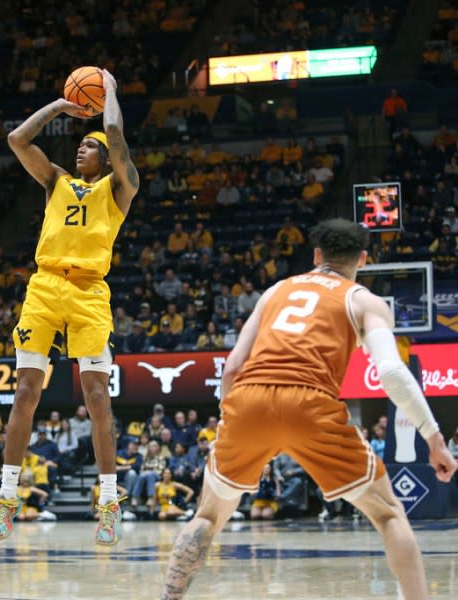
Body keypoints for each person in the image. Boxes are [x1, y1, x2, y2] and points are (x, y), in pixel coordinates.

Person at [160, 219, 457, 600]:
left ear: (316, 255)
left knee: (208, 514)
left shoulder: (276, 290)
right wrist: (434, 438)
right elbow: (391, 372)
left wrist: (234, 418)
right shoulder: (365, 300)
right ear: (363, 259)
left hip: (249, 397)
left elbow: (233, 365)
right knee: (388, 513)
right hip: (310, 401)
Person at [0, 68, 139, 546]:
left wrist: (108, 90)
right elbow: (17, 138)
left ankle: (109, 501)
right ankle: (7, 499)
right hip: (45, 287)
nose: (82, 148)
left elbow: (115, 133)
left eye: (90, 145)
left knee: (97, 399)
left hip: (90, 292)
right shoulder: (55, 180)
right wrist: (60, 105)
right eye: (80, 145)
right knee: (26, 393)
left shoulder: (119, 189)